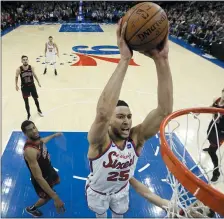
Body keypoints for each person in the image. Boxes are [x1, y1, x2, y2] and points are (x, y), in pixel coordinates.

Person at [85, 19, 173, 218]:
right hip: (97, 191)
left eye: (129, 117)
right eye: (120, 116)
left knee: (119, 215)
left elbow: (164, 110)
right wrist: (124, 59)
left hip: (121, 189)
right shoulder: (99, 142)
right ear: (110, 121)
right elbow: (102, 114)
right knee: (100, 216)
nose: (127, 121)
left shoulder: (136, 138)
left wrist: (162, 60)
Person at [21, 120, 65, 217]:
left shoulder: (37, 140)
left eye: (34, 127)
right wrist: (55, 197)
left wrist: (54, 136)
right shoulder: (30, 151)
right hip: (42, 178)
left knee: (57, 181)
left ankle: (50, 191)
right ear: (25, 133)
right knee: (47, 198)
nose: (34, 131)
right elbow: (38, 177)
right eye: (30, 130)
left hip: (48, 169)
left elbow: (42, 141)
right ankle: (32, 208)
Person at [203, 86, 224, 182]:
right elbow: (211, 107)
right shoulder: (216, 99)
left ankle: (216, 172)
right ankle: (211, 146)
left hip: (222, 131)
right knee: (210, 139)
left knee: (212, 152)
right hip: (214, 124)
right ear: (222, 92)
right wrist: (198, 111)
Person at [15, 55, 44, 120]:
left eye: (26, 59)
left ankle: (39, 110)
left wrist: (38, 82)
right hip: (24, 87)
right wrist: (16, 85)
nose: (25, 61)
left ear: (28, 60)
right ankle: (28, 114)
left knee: (36, 99)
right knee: (26, 102)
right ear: (21, 61)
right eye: (24, 60)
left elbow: (34, 75)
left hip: (32, 86)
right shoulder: (19, 69)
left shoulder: (31, 67)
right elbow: (16, 77)